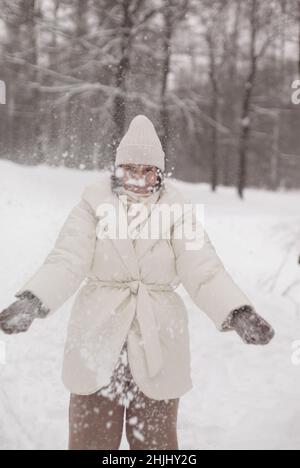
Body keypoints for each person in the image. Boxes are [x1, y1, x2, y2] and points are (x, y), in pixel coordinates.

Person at [0, 115, 274, 450]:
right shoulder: (91, 206)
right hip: (97, 339)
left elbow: (203, 268)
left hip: (158, 339)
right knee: (92, 442)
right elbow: (67, 259)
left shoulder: (179, 211)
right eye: (131, 169)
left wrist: (238, 311)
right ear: (116, 169)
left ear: (160, 173)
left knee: (155, 447)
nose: (139, 180)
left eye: (148, 171)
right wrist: (33, 300)